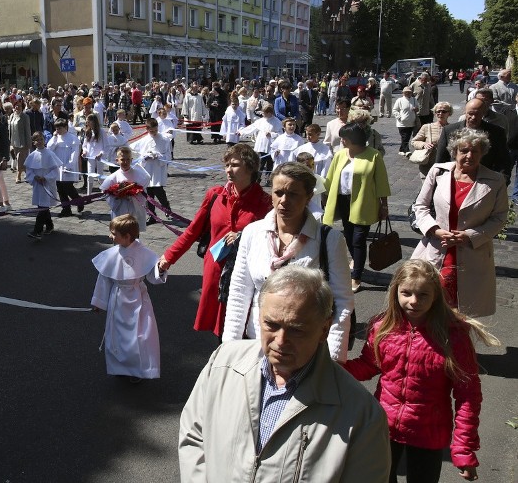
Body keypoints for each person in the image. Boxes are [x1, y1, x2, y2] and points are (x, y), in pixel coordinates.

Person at [179, 265, 390, 482]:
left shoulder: (362, 415)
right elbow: (193, 436)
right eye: (271, 324)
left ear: (324, 329)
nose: (280, 341)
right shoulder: (222, 363)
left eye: (296, 329)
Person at [343, 260, 499, 483]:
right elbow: (368, 365)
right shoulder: (383, 327)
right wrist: (331, 368)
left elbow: (468, 395)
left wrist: (464, 448)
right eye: (406, 293)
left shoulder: (453, 336)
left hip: (429, 433)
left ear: (436, 295)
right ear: (395, 290)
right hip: (384, 428)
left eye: (423, 295)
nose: (414, 301)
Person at [222, 162, 353, 359]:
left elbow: (342, 302)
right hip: (257, 343)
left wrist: (333, 358)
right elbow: (240, 292)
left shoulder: (330, 240)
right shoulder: (252, 233)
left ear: (309, 196)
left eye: (293, 194)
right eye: (278, 192)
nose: (284, 200)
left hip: (304, 348)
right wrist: (230, 348)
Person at [158, 144, 272, 339]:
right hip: (216, 272)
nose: (228, 169)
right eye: (226, 164)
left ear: (251, 167)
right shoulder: (215, 195)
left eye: (235, 164)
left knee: (244, 331)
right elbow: (193, 231)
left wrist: (244, 236)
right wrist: (169, 256)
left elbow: (273, 240)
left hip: (246, 277)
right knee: (221, 334)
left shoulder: (266, 203)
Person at [413, 128, 507, 317]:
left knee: (464, 312)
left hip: (473, 254)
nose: (469, 155)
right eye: (464, 150)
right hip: (437, 248)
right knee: (431, 305)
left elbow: (500, 217)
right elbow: (420, 206)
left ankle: (459, 346)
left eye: (475, 151)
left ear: (483, 153)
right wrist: (434, 230)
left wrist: (469, 236)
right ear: (454, 151)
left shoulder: (495, 180)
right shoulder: (438, 172)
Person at [91, 214, 167, 383]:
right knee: (117, 335)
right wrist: (98, 302)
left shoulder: (144, 254)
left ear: (127, 237)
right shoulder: (111, 255)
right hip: (117, 299)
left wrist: (160, 270)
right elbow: (104, 280)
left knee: (139, 335)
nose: (110, 236)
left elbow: (153, 277)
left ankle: (136, 369)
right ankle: (120, 366)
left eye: (114, 233)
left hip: (139, 298)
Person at [323, 122, 391, 293]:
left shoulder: (373, 155)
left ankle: (357, 275)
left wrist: (384, 205)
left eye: (344, 138)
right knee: (348, 235)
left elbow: (382, 182)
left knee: (358, 239)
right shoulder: (340, 155)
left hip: (364, 202)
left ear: (353, 139)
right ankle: (356, 263)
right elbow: (330, 178)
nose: (342, 140)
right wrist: (322, 195)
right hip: (343, 201)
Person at [435, 98, 511, 183]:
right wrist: (440, 182)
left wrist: (503, 181)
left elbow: (504, 161)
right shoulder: (448, 130)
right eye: (470, 114)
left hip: (485, 182)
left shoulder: (496, 132)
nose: (473, 117)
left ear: (483, 113)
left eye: (477, 114)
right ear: (465, 112)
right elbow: (440, 161)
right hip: (455, 180)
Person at [99, 146, 151, 231]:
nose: (125, 162)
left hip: (135, 208)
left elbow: (144, 186)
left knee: (133, 231)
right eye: (122, 159)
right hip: (120, 209)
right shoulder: (113, 177)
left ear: (131, 160)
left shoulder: (139, 174)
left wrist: (134, 193)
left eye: (128, 159)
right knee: (121, 231)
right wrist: (116, 194)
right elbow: (105, 192)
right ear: (117, 160)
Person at [132, 117, 172, 226]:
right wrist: (146, 156)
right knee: (148, 192)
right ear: (147, 129)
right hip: (147, 169)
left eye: (155, 130)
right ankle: (152, 214)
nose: (154, 133)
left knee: (159, 190)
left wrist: (158, 155)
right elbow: (138, 154)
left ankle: (166, 207)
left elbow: (168, 155)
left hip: (158, 169)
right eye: (151, 131)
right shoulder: (145, 140)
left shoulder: (164, 139)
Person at [25, 132, 61, 239]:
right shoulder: (32, 155)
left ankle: (37, 231)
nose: (40, 142)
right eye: (37, 140)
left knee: (43, 207)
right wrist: (34, 177)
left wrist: (46, 178)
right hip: (38, 184)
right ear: (34, 142)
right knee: (42, 206)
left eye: (41, 139)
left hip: (47, 184)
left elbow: (55, 170)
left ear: (44, 140)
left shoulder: (49, 154)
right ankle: (49, 225)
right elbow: (29, 170)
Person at [47, 118, 83, 217]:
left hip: (67, 167)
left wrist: (69, 165)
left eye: (60, 128)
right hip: (58, 167)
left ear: (65, 127)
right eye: (56, 128)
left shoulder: (72, 138)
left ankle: (78, 200)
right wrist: (54, 138)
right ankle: (66, 208)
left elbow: (74, 154)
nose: (58, 130)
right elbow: (49, 148)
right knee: (60, 189)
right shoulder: (56, 138)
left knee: (68, 187)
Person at [238, 104, 281, 185]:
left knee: (270, 164)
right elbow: (251, 128)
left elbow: (280, 134)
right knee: (260, 163)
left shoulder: (277, 122)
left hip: (271, 148)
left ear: (270, 113)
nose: (262, 114)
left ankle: (268, 179)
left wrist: (272, 134)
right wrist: (241, 132)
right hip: (261, 146)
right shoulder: (261, 121)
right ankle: (257, 178)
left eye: (264, 113)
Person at [411, 101, 453, 178]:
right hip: (428, 166)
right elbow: (414, 141)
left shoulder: (453, 128)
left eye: (444, 111)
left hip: (446, 166)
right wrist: (424, 144)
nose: (440, 114)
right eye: (438, 111)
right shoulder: (427, 127)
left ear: (449, 113)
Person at [8, 99, 32, 184]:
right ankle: (29, 174)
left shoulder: (25, 117)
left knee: (20, 159)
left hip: (23, 142)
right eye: (16, 105)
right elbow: (9, 129)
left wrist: (28, 143)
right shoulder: (11, 116)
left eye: (19, 106)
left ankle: (18, 175)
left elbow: (28, 131)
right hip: (14, 141)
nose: (17, 107)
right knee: (22, 160)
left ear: (22, 107)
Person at [392, 85, 419, 155]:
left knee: (407, 137)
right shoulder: (399, 100)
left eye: (409, 92)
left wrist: (416, 109)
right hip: (402, 123)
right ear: (403, 93)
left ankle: (401, 150)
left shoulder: (414, 99)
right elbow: (394, 110)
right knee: (405, 137)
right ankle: (407, 150)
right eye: (406, 92)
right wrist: (400, 117)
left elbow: (418, 108)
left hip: (411, 122)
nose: (408, 93)